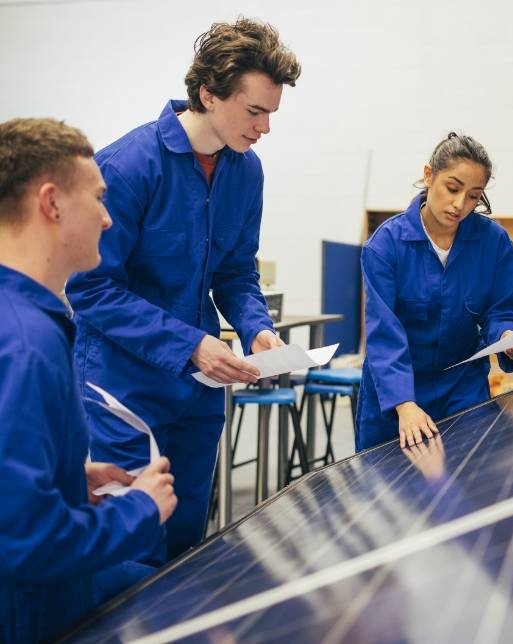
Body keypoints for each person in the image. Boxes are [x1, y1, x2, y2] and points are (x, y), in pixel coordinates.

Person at [66, 18, 300, 561]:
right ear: (209, 94)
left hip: (199, 393)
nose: (265, 128)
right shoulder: (125, 168)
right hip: (123, 390)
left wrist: (257, 327)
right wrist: (190, 343)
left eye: (272, 113)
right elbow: (92, 288)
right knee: (128, 547)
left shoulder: (247, 171)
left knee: (184, 541)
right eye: (255, 111)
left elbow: (236, 271)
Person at [0, 118, 177, 642]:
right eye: (98, 199)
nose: (106, 219)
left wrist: (66, 479)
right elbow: (24, 540)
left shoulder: (27, 320)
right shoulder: (25, 342)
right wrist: (141, 512)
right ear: (52, 203)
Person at [358, 133, 513, 450]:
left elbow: (501, 311)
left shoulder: (494, 243)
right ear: (429, 175)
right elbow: (385, 333)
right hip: (396, 391)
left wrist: (508, 338)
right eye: (452, 188)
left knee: (471, 481)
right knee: (389, 492)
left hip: (462, 387)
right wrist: (404, 404)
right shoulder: (385, 246)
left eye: (473, 196)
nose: (459, 204)